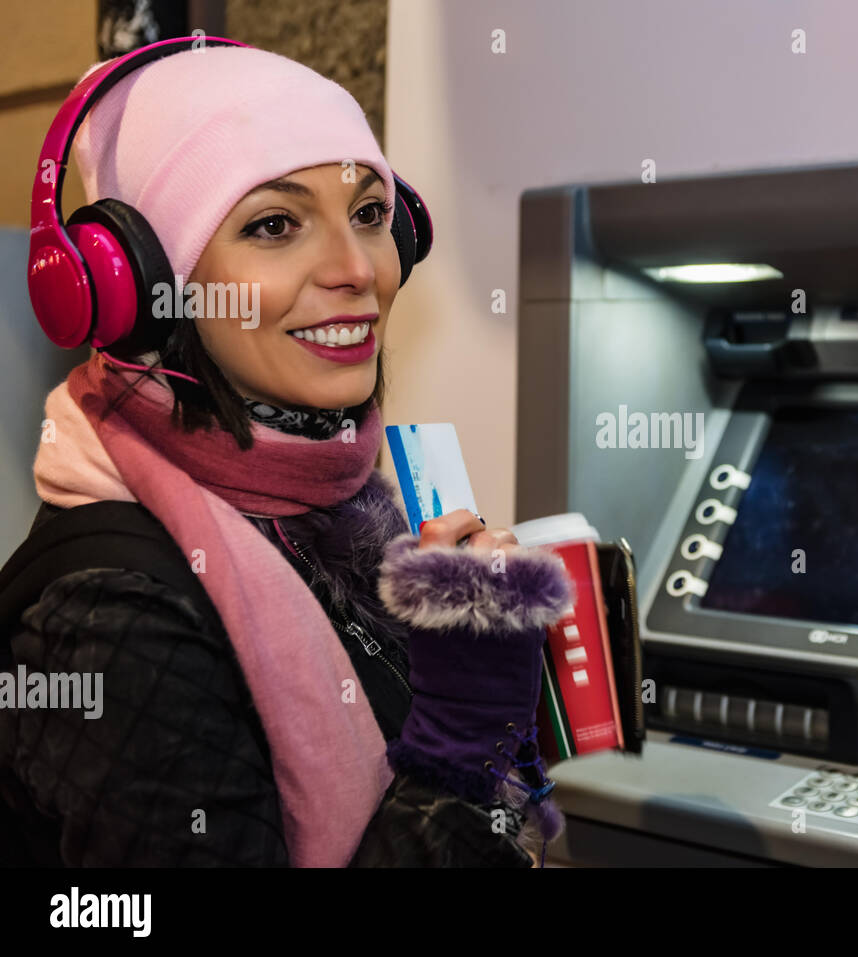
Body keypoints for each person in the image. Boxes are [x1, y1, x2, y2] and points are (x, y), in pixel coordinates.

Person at [0, 42, 572, 867]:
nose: (357, 270)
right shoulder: (109, 621)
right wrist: (459, 747)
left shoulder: (340, 512)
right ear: (140, 286)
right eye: (275, 224)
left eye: (370, 215)